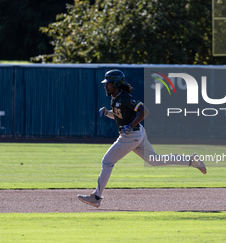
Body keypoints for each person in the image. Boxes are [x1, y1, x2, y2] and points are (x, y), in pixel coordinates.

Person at [77, 69, 206, 208]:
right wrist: (107, 113)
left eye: (108, 83)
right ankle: (191, 161)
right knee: (155, 161)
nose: (105, 86)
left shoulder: (125, 97)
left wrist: (131, 125)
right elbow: (119, 115)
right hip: (137, 134)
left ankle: (96, 197)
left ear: (115, 84)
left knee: (107, 162)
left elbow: (144, 110)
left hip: (131, 136)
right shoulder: (115, 98)